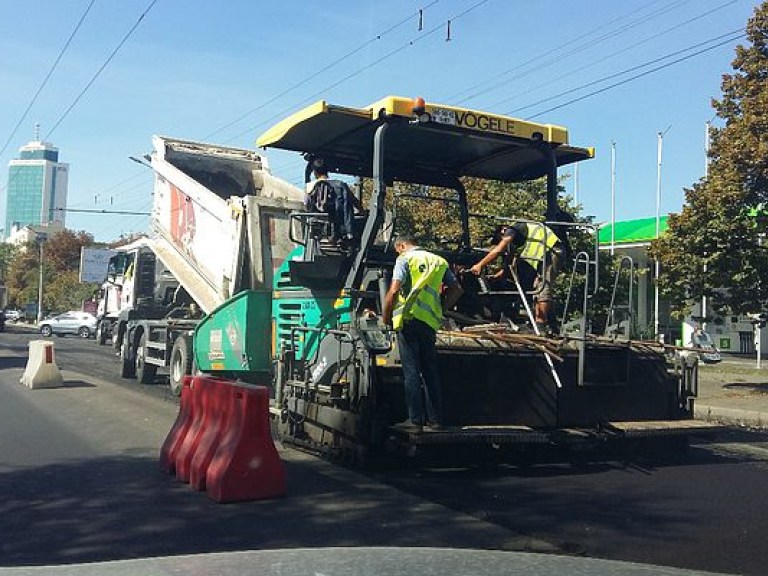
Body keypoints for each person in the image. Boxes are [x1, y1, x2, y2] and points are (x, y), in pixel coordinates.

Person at [382, 234, 464, 434]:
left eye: (397, 249)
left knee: (411, 371)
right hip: (429, 322)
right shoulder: (439, 261)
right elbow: (457, 289)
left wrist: (386, 316)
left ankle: (415, 421)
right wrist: (440, 310)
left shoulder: (404, 259)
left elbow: (393, 291)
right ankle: (436, 420)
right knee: (430, 371)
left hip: (408, 320)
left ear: (401, 246)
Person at [470, 221, 563, 332]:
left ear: (503, 231)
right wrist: (500, 274)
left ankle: (541, 324)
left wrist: (480, 265)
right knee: (533, 287)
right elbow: (510, 257)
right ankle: (551, 323)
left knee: (543, 286)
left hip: (552, 251)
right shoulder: (519, 236)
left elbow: (499, 249)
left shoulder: (513, 229)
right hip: (545, 254)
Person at [305, 157, 362, 245]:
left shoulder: (309, 187)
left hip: (317, 229)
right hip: (339, 229)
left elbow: (307, 206)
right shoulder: (340, 185)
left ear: (315, 173)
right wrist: (362, 211)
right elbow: (355, 202)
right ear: (327, 171)